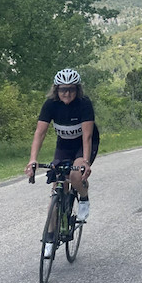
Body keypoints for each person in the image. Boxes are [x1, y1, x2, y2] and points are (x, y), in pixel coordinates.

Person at [26, 69, 98, 256]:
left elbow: (87, 137)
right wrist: (33, 159)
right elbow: (40, 133)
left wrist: (85, 163)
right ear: (56, 90)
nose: (67, 93)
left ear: (78, 89)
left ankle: (83, 197)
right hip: (64, 145)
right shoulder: (50, 104)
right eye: (63, 89)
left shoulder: (84, 104)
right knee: (57, 187)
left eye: (72, 89)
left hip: (83, 145)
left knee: (75, 174)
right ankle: (50, 237)